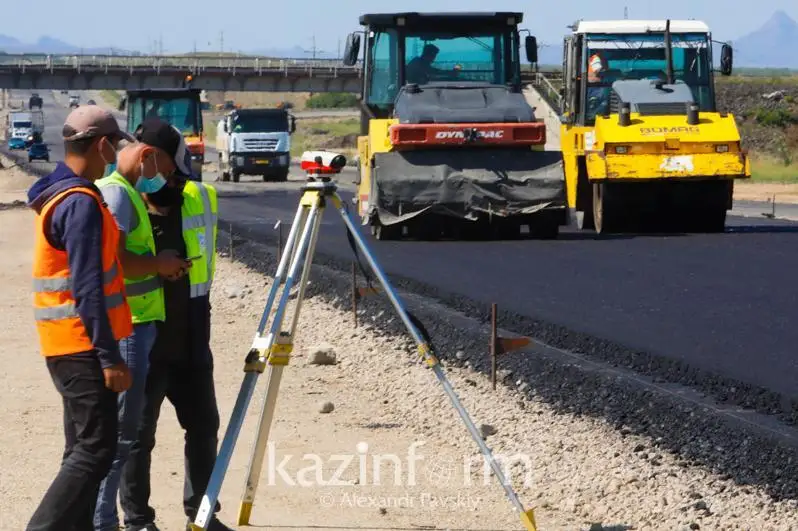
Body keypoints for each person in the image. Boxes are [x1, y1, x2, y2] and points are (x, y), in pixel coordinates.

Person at [26, 106, 136, 531]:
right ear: (103, 144)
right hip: (82, 346)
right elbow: (87, 287)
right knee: (95, 449)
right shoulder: (81, 203)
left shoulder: (59, 194)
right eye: (114, 145)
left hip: (65, 345)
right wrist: (110, 357)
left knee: (82, 449)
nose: (114, 154)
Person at [118, 119, 230, 531]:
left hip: (192, 334)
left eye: (158, 157)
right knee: (137, 437)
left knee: (204, 427)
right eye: (144, 156)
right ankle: (137, 520)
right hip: (143, 338)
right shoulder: (122, 200)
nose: (151, 166)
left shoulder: (198, 197)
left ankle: (201, 514)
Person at [93, 123, 194, 531]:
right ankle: (101, 522)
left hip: (138, 324)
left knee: (123, 434)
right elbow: (112, 262)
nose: (165, 179)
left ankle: (101, 519)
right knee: (121, 437)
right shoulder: (118, 193)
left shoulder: (125, 190)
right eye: (165, 169)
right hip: (129, 327)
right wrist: (159, 264)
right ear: (147, 153)